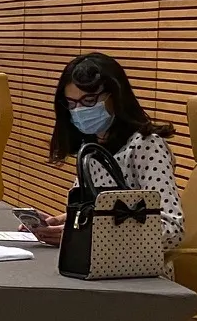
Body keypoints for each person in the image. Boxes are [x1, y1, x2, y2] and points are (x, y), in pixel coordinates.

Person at [32, 53, 184, 252]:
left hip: (138, 275)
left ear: (115, 96)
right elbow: (100, 215)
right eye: (71, 104)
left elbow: (172, 230)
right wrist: (59, 223)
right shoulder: (91, 148)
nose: (79, 111)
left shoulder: (147, 145)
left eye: (88, 101)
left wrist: (89, 235)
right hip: (93, 265)